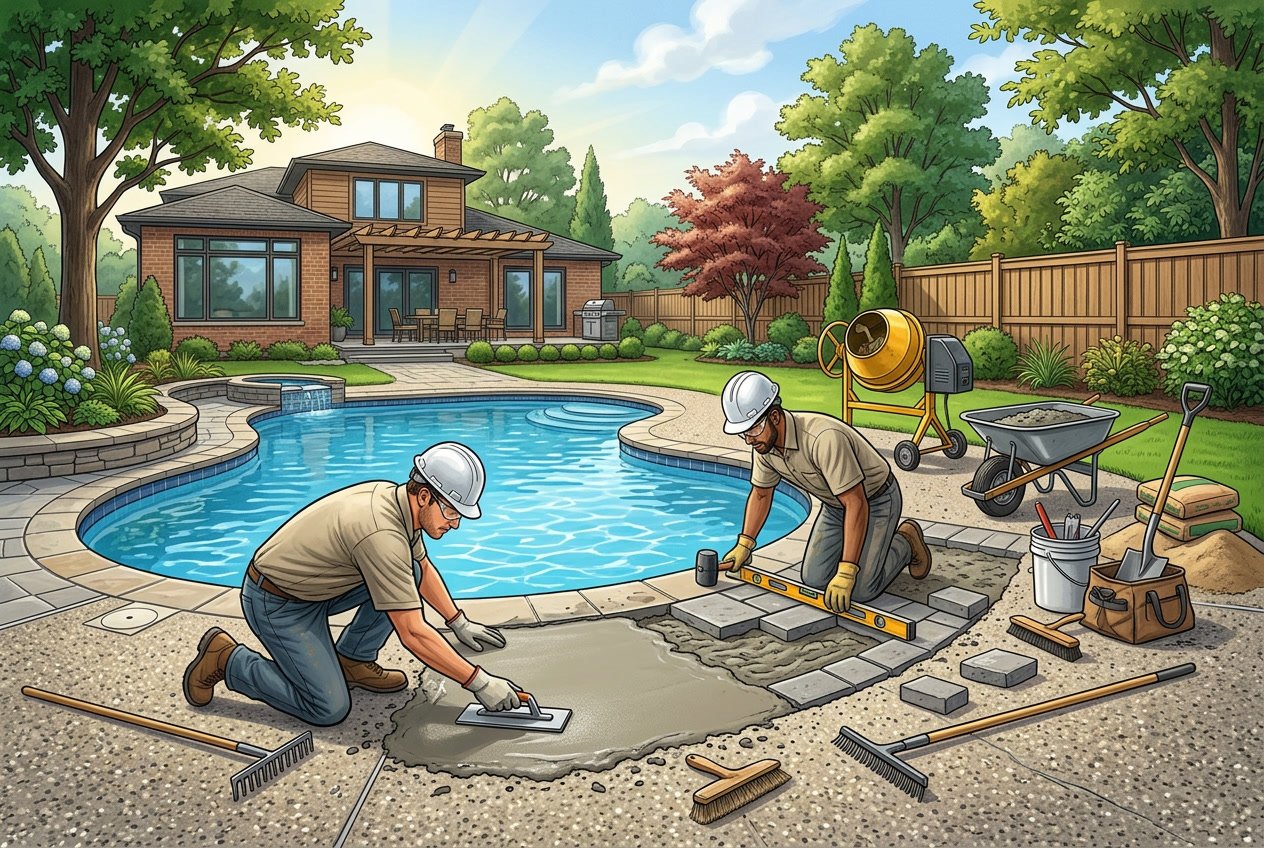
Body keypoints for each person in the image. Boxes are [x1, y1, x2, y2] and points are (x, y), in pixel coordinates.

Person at [181, 441, 522, 726]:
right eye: (452, 512)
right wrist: (479, 682)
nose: (456, 523)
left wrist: (458, 622)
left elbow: (421, 568)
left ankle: (352, 661)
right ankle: (228, 660)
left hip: (316, 589)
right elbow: (413, 633)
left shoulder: (398, 502)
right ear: (424, 497)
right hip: (276, 602)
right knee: (328, 708)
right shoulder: (381, 532)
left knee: (409, 575)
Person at [717, 371, 932, 614]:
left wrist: (847, 570)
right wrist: (745, 544)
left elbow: (856, 503)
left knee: (862, 590)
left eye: (752, 430)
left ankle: (906, 540)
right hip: (835, 506)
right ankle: (861, 549)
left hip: (877, 499)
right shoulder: (764, 446)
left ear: (774, 416)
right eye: (743, 433)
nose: (748, 440)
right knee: (814, 580)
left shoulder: (823, 439)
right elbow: (761, 494)